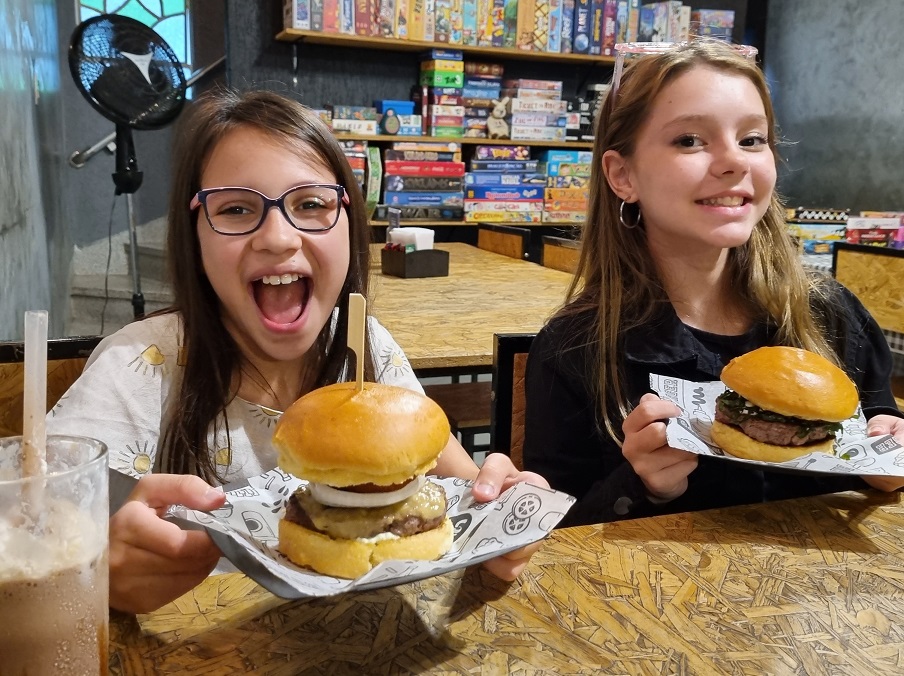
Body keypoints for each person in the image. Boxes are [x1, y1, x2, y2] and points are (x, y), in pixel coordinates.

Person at [49, 89, 548, 613]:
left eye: (311, 204)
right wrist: (93, 576)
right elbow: (31, 533)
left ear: (349, 222)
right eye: (237, 209)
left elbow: (458, 488)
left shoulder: (366, 349)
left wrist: (503, 512)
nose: (279, 237)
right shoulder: (139, 365)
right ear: (193, 232)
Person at [522, 39, 904, 528]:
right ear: (623, 175)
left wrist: (886, 466)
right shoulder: (577, 346)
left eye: (751, 139)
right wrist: (643, 486)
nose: (734, 161)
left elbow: (878, 442)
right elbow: (547, 533)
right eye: (690, 140)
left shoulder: (831, 315)